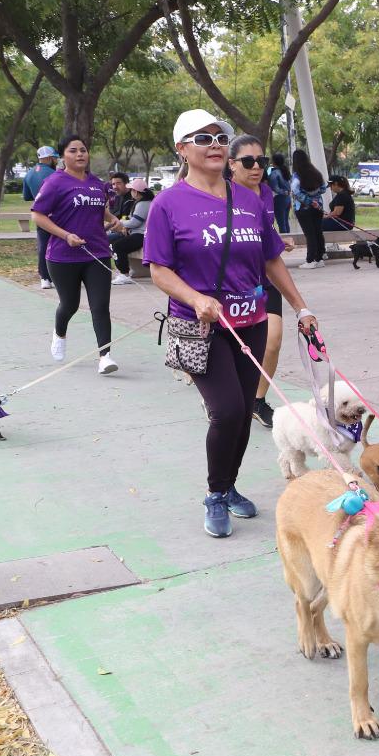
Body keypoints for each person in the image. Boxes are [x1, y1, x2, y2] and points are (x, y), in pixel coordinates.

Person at [145, 110, 318, 538]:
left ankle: (229, 485)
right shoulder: (168, 204)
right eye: (202, 138)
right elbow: (158, 270)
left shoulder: (248, 199)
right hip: (200, 327)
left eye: (220, 136)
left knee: (243, 415)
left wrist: (300, 306)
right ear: (181, 149)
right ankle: (215, 494)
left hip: (251, 322)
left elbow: (270, 258)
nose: (215, 144)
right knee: (226, 411)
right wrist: (196, 298)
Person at [30, 134, 119, 375]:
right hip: (62, 256)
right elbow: (38, 215)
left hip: (97, 253)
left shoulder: (97, 184)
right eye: (73, 151)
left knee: (100, 306)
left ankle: (105, 356)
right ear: (63, 156)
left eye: (83, 150)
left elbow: (101, 212)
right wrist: (65, 235)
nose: (80, 154)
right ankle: (59, 333)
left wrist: (114, 220)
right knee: (69, 305)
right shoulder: (55, 183)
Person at [228, 136, 286, 429]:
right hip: (232, 284)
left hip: (265, 279)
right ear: (231, 164)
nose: (256, 167)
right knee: (233, 349)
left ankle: (257, 401)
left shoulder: (266, 193)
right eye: (248, 161)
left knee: (272, 341)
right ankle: (221, 397)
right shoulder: (221, 193)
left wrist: (277, 242)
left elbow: (266, 232)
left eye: (261, 162)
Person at [22, 145, 59, 289]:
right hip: (57, 214)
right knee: (59, 244)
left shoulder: (29, 174)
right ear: (49, 158)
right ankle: (58, 276)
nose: (56, 160)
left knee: (43, 245)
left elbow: (26, 196)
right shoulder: (55, 174)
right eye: (55, 158)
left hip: (40, 214)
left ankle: (44, 278)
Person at [103, 172, 144, 284]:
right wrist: (108, 227)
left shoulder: (136, 200)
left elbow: (132, 221)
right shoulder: (116, 198)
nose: (115, 186)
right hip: (122, 229)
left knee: (107, 241)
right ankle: (119, 270)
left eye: (118, 183)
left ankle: (121, 272)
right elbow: (114, 217)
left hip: (133, 232)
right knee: (103, 239)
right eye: (113, 184)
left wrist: (119, 226)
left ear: (126, 184)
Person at [290, 149, 327, 269]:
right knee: (318, 232)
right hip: (318, 207)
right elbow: (323, 188)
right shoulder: (316, 173)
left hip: (303, 209)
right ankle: (320, 258)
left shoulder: (297, 176)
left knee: (309, 234)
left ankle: (310, 260)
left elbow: (295, 190)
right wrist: (315, 199)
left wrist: (308, 201)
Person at [267, 153, 292, 234]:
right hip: (287, 199)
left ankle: (285, 242)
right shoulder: (285, 171)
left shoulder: (274, 173)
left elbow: (275, 188)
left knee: (281, 223)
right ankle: (290, 238)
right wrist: (287, 192)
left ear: (274, 161)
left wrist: (283, 192)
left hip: (279, 199)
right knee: (286, 221)